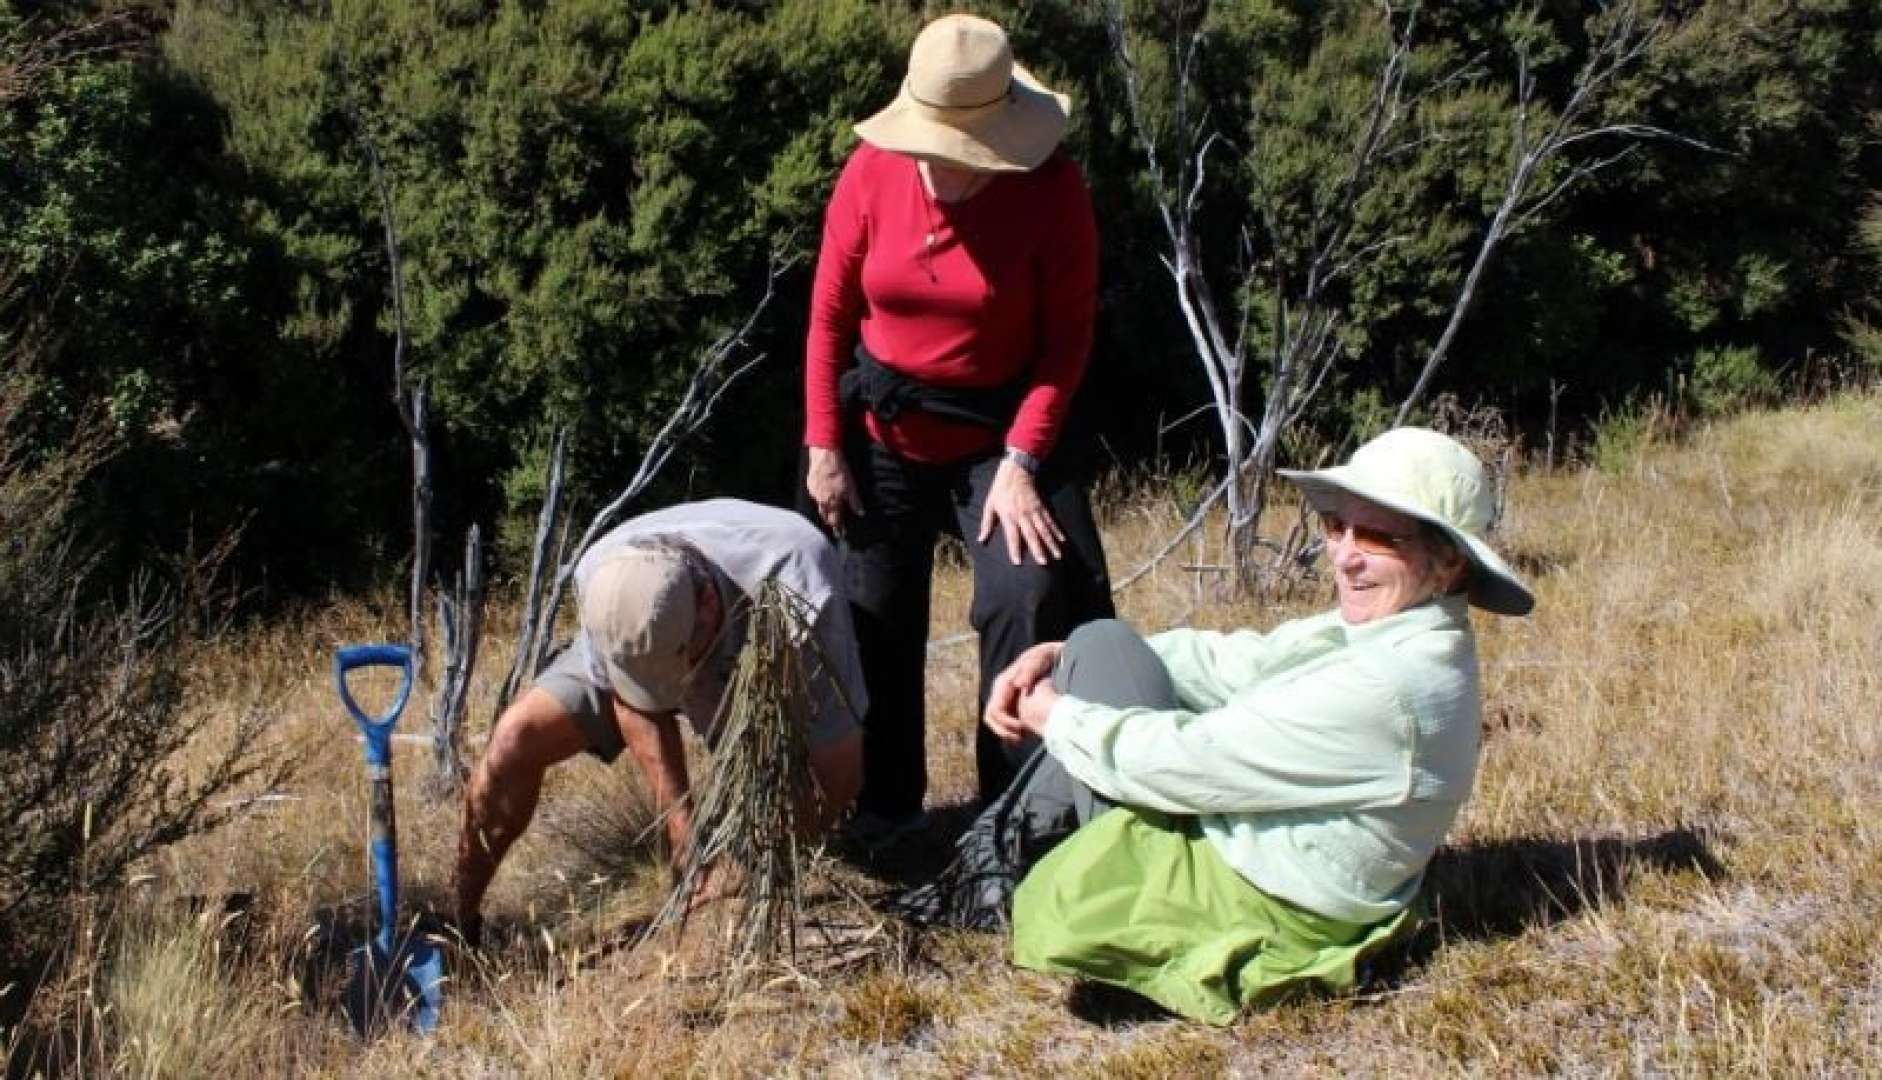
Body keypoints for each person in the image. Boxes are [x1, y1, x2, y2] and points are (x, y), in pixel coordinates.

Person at [900, 427, 1535, 1025]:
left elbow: (1188, 761)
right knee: (1099, 643)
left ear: (1449, 563)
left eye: (1375, 537)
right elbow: (1243, 660)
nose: (1344, 557)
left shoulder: (1390, 685)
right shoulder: (1399, 631)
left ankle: (988, 873)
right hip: (1280, 865)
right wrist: (1061, 655)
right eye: (1335, 526)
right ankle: (992, 859)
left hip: (1255, 897)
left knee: (1101, 713)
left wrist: (1054, 714)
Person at [802, 13, 1113, 836]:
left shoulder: (1051, 189)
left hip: (1001, 430)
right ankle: (885, 810)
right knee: (871, 607)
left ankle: (1010, 817)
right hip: (883, 424)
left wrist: (1022, 460)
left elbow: (1068, 341)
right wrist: (824, 443)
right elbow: (829, 316)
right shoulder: (871, 171)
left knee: (1027, 592)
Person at [454, 498, 865, 943]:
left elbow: (838, 772)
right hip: (656, 642)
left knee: (798, 789)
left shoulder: (798, 580)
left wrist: (742, 865)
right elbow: (632, 700)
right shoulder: (605, 582)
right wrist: (682, 831)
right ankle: (459, 923)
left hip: (754, 641)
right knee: (515, 738)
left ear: (708, 603)